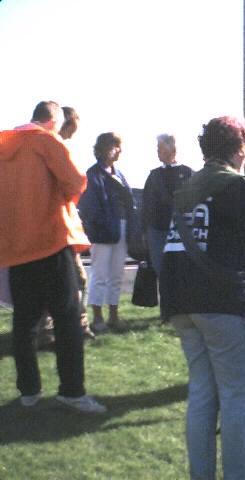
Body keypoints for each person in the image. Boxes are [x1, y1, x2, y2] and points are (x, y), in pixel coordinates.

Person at [160, 116, 245, 480]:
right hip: (223, 302)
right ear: (239, 149)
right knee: (234, 396)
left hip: (182, 300)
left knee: (201, 393)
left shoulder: (188, 187)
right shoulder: (236, 186)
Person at [0, 100, 106, 413]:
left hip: (17, 247)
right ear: (53, 122)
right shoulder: (47, 142)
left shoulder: (5, 145)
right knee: (68, 319)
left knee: (25, 323)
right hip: (51, 241)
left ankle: (28, 392)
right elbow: (75, 182)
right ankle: (72, 391)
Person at [37, 106, 94, 348]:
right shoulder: (56, 148)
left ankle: (61, 327)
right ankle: (69, 326)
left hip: (59, 226)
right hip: (58, 228)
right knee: (76, 278)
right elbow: (75, 183)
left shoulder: (47, 147)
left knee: (69, 279)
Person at [78, 133, 134, 333]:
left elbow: (128, 202)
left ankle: (113, 315)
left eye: (119, 146)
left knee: (116, 275)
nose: (118, 150)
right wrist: (99, 228)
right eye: (115, 146)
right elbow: (89, 207)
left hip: (121, 227)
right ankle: (98, 318)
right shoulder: (92, 174)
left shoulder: (119, 174)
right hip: (103, 232)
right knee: (100, 275)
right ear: (103, 149)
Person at [141, 134, 192, 275]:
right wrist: (145, 231)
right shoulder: (154, 176)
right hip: (157, 230)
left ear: (172, 150)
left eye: (161, 148)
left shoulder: (187, 173)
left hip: (180, 230)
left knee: (181, 271)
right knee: (160, 270)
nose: (158, 152)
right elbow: (146, 205)